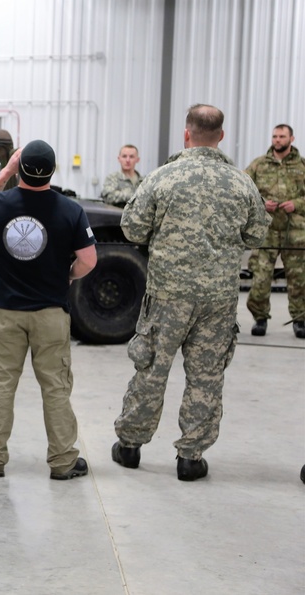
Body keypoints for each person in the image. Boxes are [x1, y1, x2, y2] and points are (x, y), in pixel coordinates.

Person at [112, 104, 270, 482]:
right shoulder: (241, 182)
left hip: (168, 296)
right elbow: (257, 234)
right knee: (206, 377)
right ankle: (191, 457)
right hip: (218, 299)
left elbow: (132, 229)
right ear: (221, 136)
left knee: (151, 368)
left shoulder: (162, 178)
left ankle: (131, 446)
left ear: (187, 134)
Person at [0, 140, 96, 480]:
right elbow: (88, 260)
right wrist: (66, 276)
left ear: (20, 167)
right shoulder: (71, 210)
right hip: (51, 313)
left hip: (5, 313)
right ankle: (63, 462)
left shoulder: (0, 203)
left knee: (1, 385)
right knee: (55, 387)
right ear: (53, 171)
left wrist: (6, 172)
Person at [244, 124, 304, 338]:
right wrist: (261, 203)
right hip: (266, 231)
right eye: (274, 136)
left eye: (282, 136)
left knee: (298, 279)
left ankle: (300, 320)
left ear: (291, 138)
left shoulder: (302, 165)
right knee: (260, 278)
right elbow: (242, 190)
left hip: (294, 233)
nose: (277, 140)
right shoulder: (259, 165)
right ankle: (260, 318)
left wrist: (296, 203)